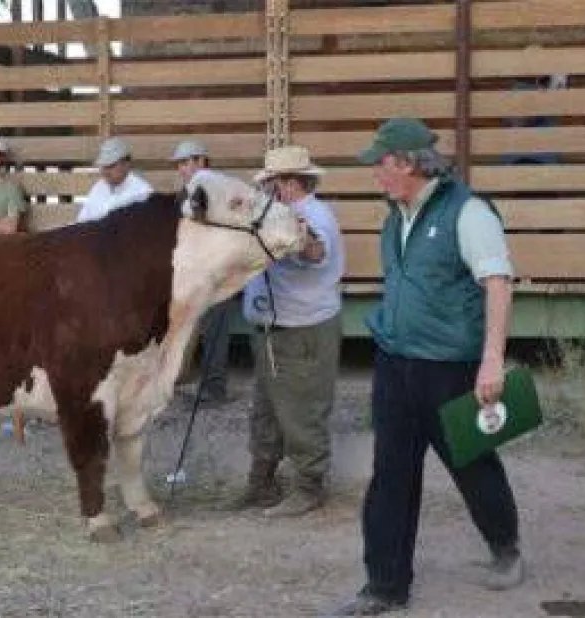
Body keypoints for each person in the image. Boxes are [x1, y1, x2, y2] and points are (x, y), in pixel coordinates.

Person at [329, 118, 523, 616]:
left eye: (382, 164)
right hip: (395, 363)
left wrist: (491, 361)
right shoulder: (396, 214)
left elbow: (497, 283)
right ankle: (385, 585)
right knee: (390, 474)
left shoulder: (469, 212)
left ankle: (505, 545)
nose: (376, 173)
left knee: (472, 463)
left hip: (449, 368)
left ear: (409, 163)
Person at [224, 145, 344, 518]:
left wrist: (303, 242)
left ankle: (310, 486)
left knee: (301, 408)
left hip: (301, 328)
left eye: (272, 182)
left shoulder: (313, 217)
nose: (268, 189)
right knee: (267, 408)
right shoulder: (282, 215)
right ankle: (261, 482)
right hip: (274, 327)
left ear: (289, 184)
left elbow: (316, 251)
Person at [170, 139, 232, 404]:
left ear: (202, 161)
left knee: (214, 329)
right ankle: (194, 382)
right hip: (194, 272)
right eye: (181, 164)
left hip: (216, 271)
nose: (183, 169)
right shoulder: (185, 193)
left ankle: (215, 388)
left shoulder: (217, 189)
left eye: (187, 162)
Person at [75, 137, 152, 223]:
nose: (106, 172)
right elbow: (82, 221)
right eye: (103, 166)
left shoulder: (142, 192)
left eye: (111, 166)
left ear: (126, 164)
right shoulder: (98, 187)